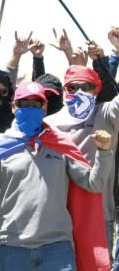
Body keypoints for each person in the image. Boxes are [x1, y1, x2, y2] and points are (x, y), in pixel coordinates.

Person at [0, 80, 113, 271]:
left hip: (57, 250)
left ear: (44, 107)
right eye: (23, 104)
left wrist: (104, 153)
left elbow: (94, 185)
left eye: (35, 104)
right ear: (13, 107)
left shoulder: (60, 144)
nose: (29, 108)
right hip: (13, 249)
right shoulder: (0, 146)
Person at [45, 65, 119, 258]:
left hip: (97, 213)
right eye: (72, 88)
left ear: (96, 90)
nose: (78, 92)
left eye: (85, 87)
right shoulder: (49, 124)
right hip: (59, 216)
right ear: (64, 91)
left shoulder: (107, 114)